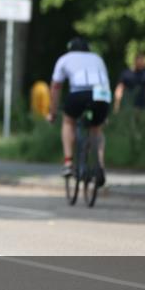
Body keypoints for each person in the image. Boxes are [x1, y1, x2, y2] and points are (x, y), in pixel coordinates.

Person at [47, 37, 111, 186]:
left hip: (79, 94)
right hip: (101, 95)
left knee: (68, 121)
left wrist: (53, 112)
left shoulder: (64, 59)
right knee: (97, 129)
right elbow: (106, 83)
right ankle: (99, 165)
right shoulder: (97, 58)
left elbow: (56, 87)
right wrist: (105, 114)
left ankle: (68, 162)